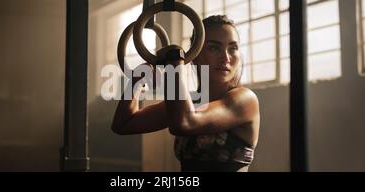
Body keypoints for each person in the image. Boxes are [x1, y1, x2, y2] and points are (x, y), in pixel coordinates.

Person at [111, 15, 260, 172]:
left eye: (233, 48)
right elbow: (124, 124)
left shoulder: (245, 100)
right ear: (194, 56)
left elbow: (185, 123)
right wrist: (137, 80)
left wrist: (174, 65)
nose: (226, 57)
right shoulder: (189, 102)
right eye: (214, 48)